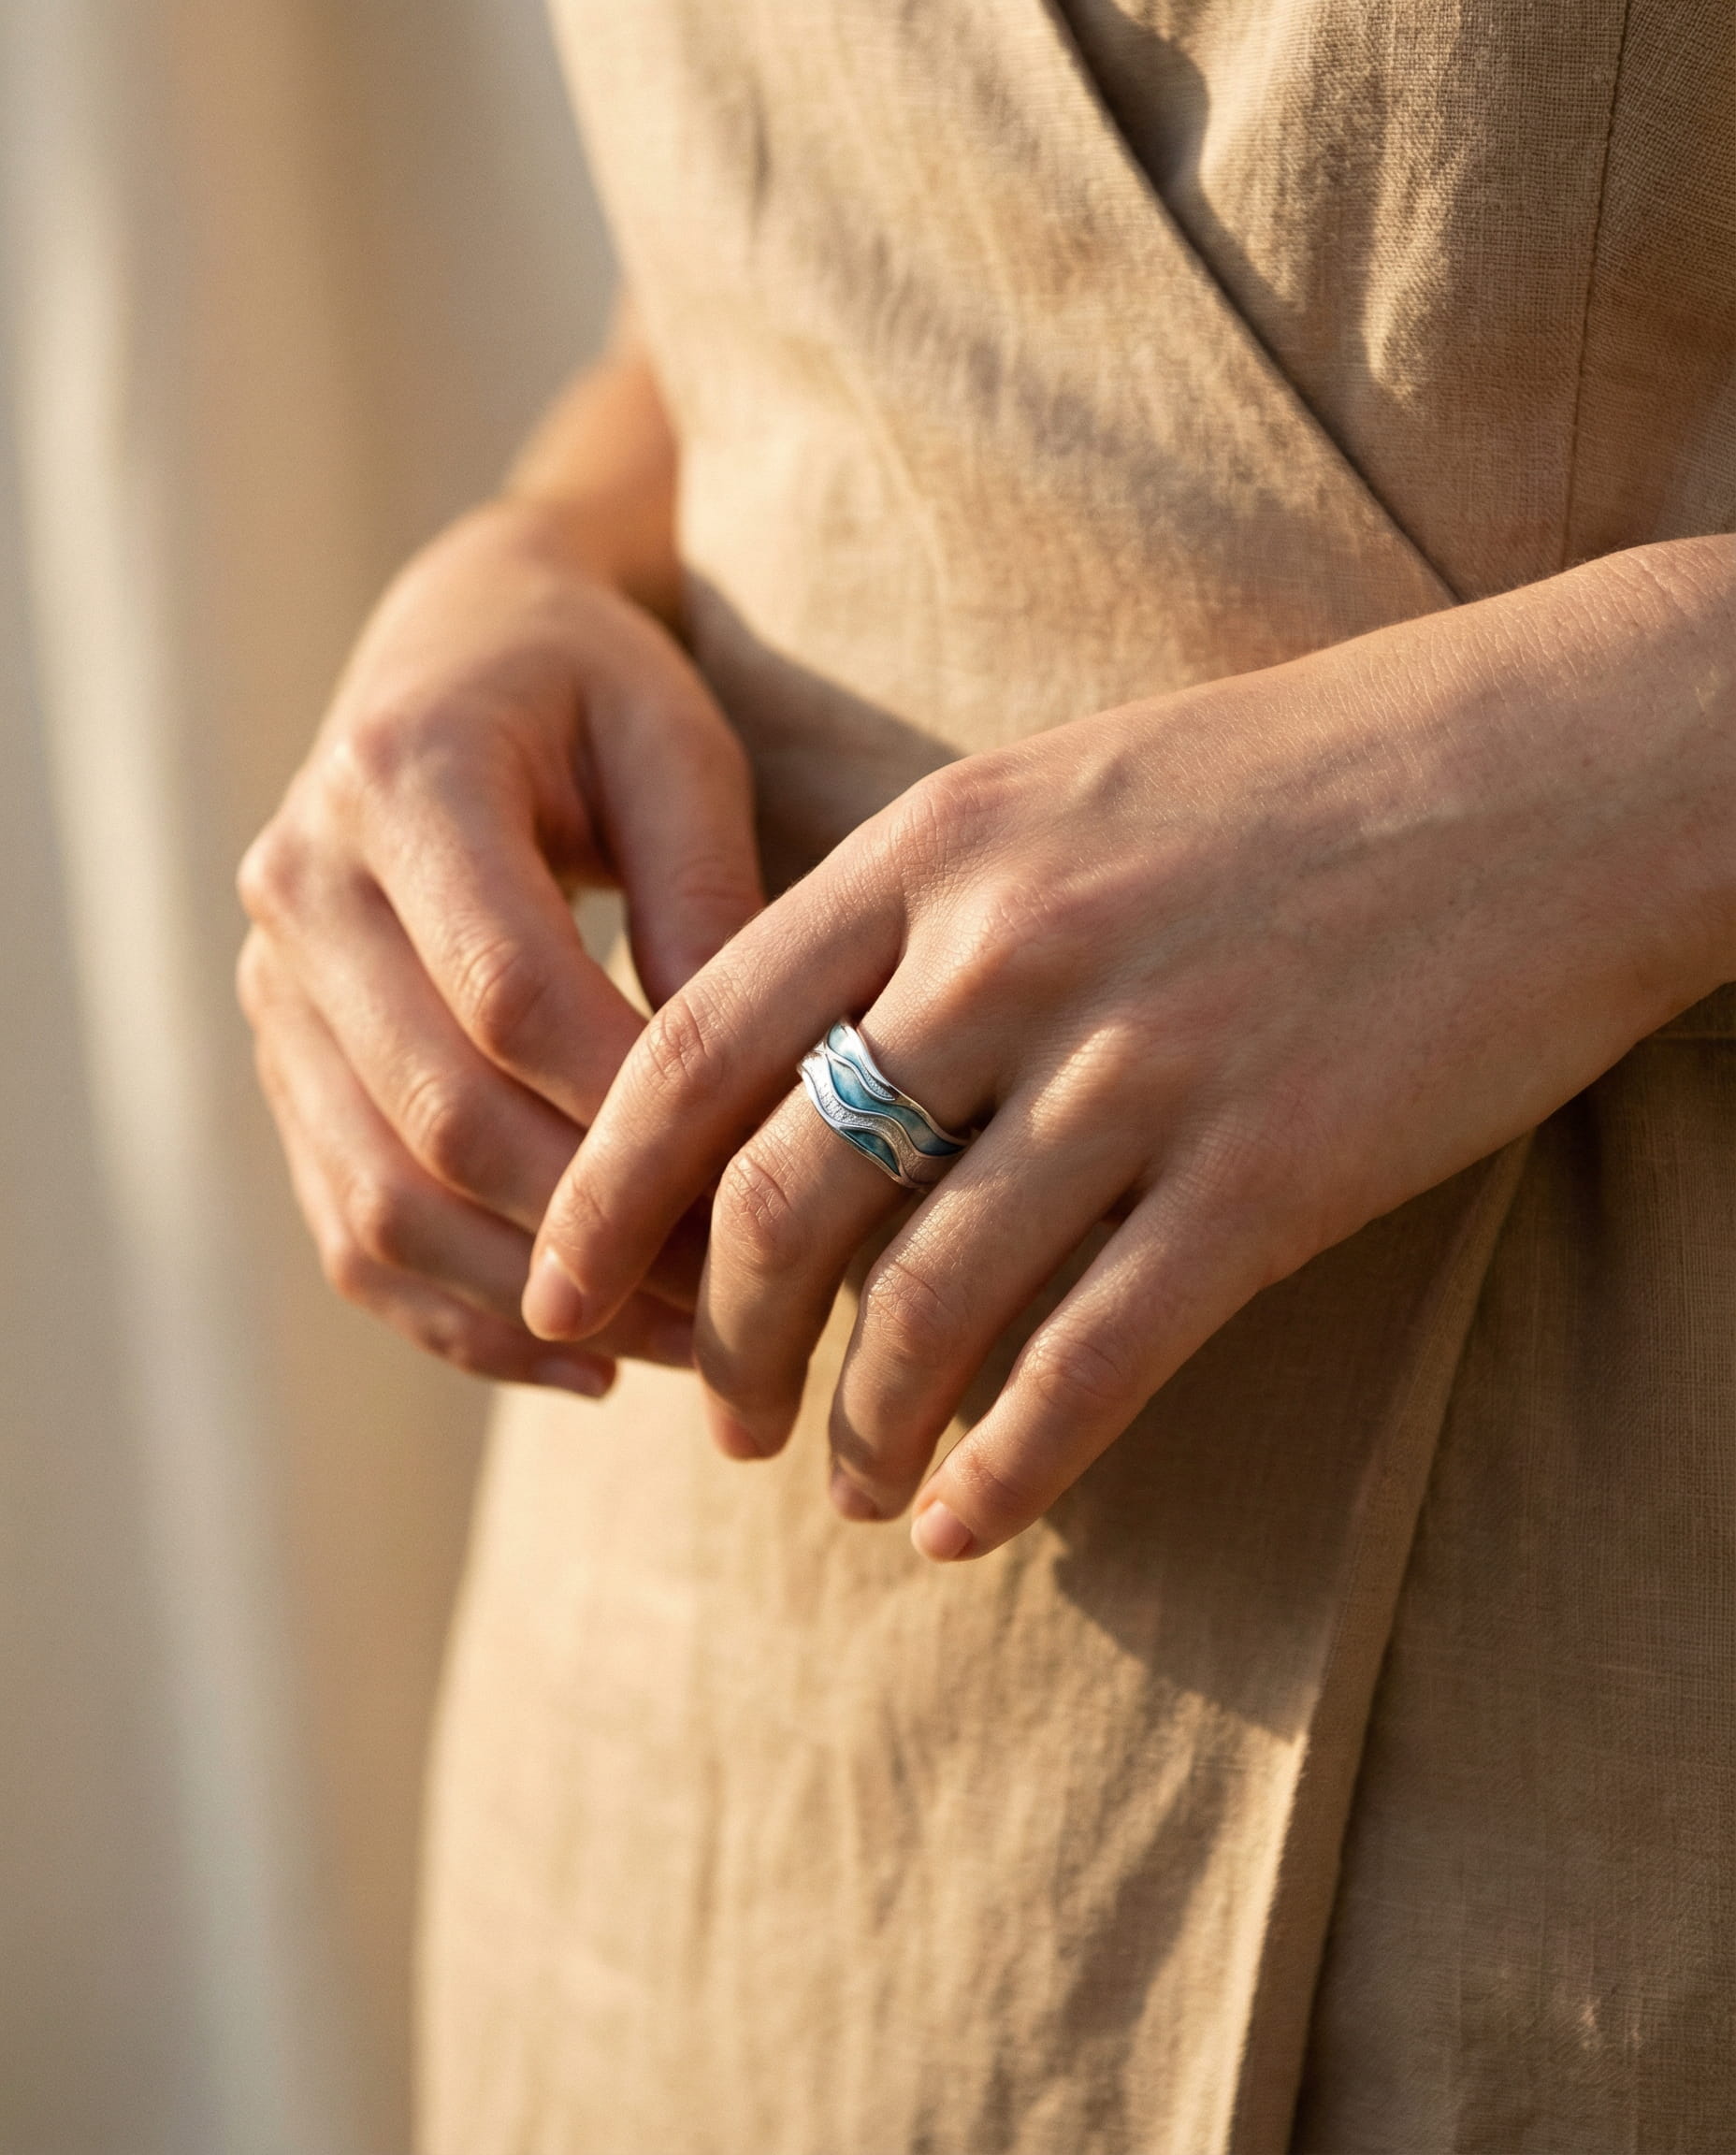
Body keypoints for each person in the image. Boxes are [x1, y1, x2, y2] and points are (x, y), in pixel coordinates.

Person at [238, 3, 1736, 2148]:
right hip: (730, 1775)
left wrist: (1640, 770)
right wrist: (545, 551)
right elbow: (866, 207)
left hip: (1610, 1791)